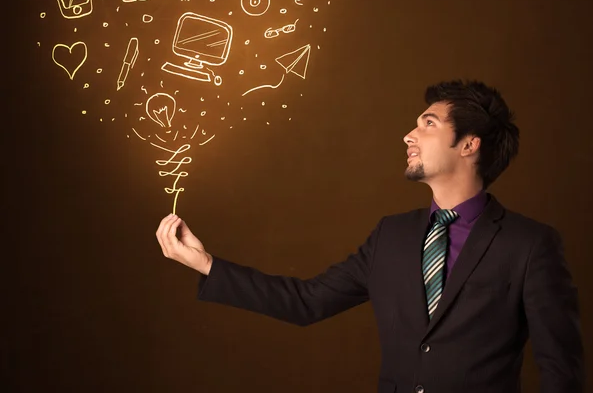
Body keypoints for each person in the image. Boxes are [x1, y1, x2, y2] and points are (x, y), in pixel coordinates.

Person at [156, 79, 584, 392]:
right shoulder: (390, 236)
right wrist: (205, 263)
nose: (409, 135)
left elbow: (561, 371)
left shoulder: (530, 245)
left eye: (428, 123)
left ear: (469, 144)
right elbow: (307, 302)